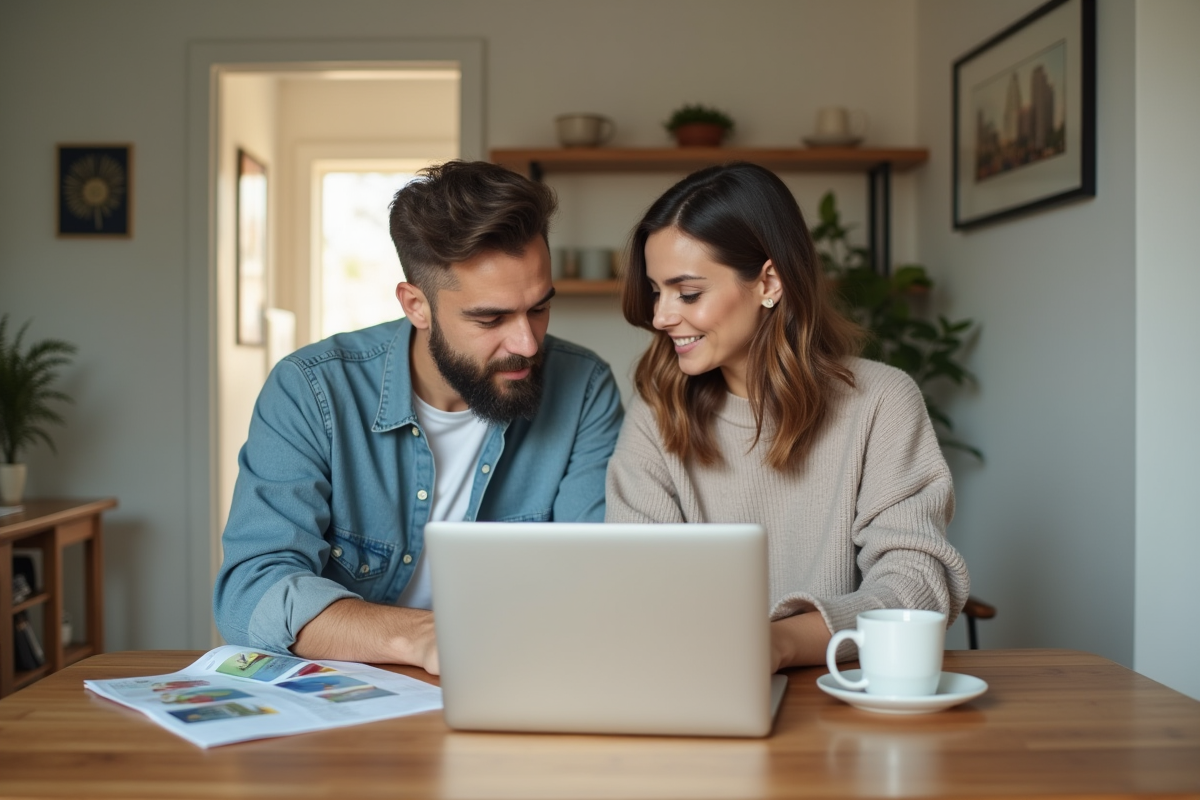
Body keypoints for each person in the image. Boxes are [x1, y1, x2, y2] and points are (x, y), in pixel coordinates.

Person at [215, 160, 624, 674]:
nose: (527, 342)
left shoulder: (584, 388)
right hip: (351, 696)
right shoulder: (312, 389)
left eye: (539, 308)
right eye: (490, 318)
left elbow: (599, 576)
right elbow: (252, 590)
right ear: (416, 305)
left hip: (518, 674)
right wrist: (422, 638)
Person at [605, 162, 969, 672]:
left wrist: (776, 645)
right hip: (701, 685)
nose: (661, 315)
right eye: (656, 290)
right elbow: (636, 585)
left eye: (687, 293)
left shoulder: (882, 402)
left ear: (769, 283)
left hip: (845, 693)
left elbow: (916, 586)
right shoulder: (657, 411)